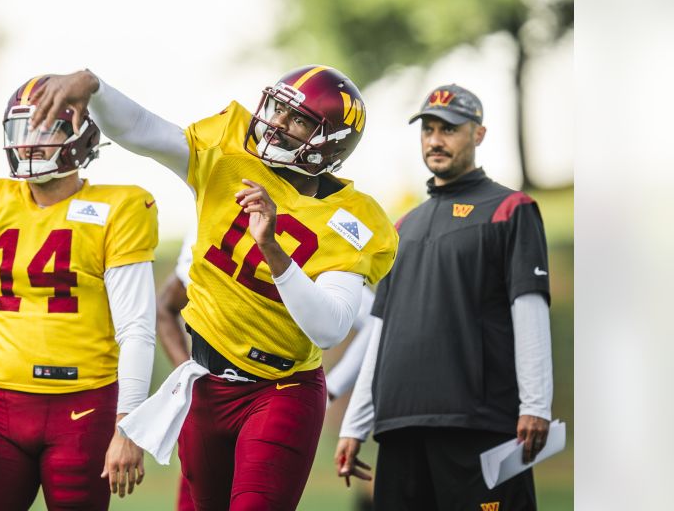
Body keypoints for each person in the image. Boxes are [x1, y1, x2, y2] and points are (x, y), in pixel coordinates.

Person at [31, 65, 398, 511]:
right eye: (278, 109)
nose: (276, 124)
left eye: (297, 119)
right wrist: (95, 87)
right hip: (206, 382)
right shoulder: (227, 154)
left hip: (280, 388)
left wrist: (273, 248)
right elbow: (145, 131)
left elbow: (331, 329)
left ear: (330, 143)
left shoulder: (351, 220)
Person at [0, 76, 159, 510]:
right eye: (22, 130)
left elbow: (136, 328)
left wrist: (128, 425)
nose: (30, 144)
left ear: (82, 136)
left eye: (45, 129)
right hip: (1, 405)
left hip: (85, 407)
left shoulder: (123, 207)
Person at [335, 84, 554, 510]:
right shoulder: (402, 228)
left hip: (479, 425)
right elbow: (381, 331)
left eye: (450, 129)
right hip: (399, 428)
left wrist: (536, 405)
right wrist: (354, 425)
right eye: (428, 129)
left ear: (479, 134)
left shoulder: (510, 209)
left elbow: (529, 308)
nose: (435, 140)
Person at [156, 227, 378, 511]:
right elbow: (165, 306)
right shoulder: (207, 227)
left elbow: (373, 322)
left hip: (275, 393)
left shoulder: (304, 233)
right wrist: (186, 376)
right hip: (210, 399)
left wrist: (332, 390)